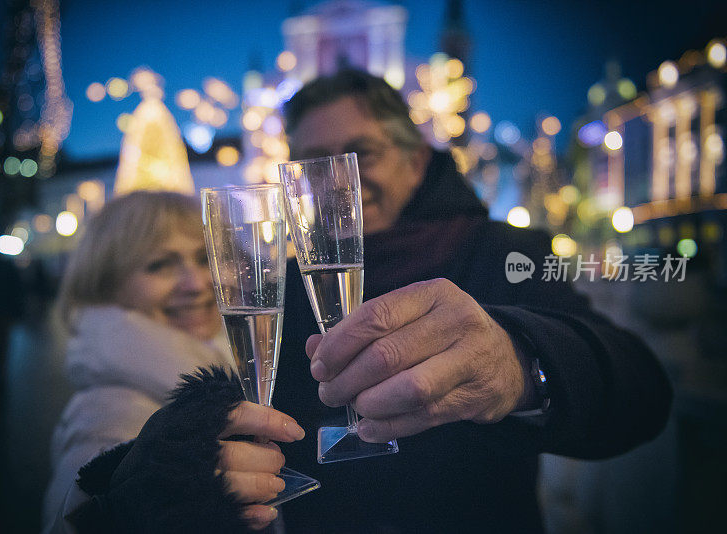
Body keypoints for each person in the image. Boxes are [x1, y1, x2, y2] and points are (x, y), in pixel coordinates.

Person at [269, 69, 673, 532]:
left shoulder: (503, 252)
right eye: (315, 162)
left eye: (364, 154)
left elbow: (641, 391)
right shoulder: (284, 286)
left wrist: (521, 363)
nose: (341, 182)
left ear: (416, 162)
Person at [42, 191, 303, 533]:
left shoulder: (228, 365)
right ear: (105, 287)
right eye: (159, 265)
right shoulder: (109, 407)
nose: (195, 283)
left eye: (204, 256)